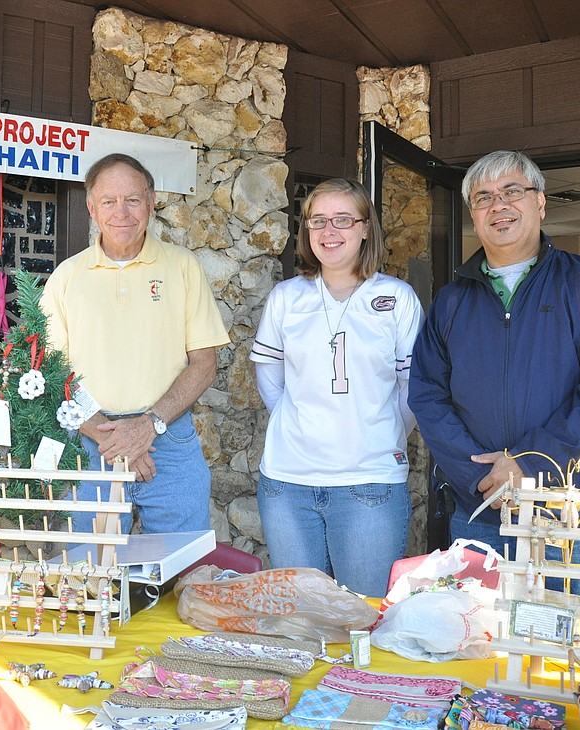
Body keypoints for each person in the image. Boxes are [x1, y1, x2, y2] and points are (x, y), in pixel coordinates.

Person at [408, 150, 580, 591]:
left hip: (572, 514)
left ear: (541, 203)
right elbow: (427, 396)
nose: (499, 205)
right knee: (480, 646)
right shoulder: (451, 302)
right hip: (482, 513)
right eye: (484, 197)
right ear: (473, 215)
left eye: (512, 191)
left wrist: (529, 464)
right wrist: (481, 479)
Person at [250, 178, 424, 596]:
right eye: (318, 221)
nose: (329, 232)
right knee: (301, 615)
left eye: (343, 220)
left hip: (369, 482)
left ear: (366, 228)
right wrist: (301, 424)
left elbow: (412, 389)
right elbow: (270, 377)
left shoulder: (396, 299)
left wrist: (373, 431)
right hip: (288, 483)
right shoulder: (287, 298)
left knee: (364, 615)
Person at [42, 153, 230, 538]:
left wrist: (148, 427)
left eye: (133, 199)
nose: (121, 212)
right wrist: (113, 437)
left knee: (183, 572)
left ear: (152, 200)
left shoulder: (183, 267)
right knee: (92, 575)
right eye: (108, 202)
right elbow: (51, 370)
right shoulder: (66, 278)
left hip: (169, 440)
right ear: (92, 208)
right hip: (91, 440)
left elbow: (204, 363)